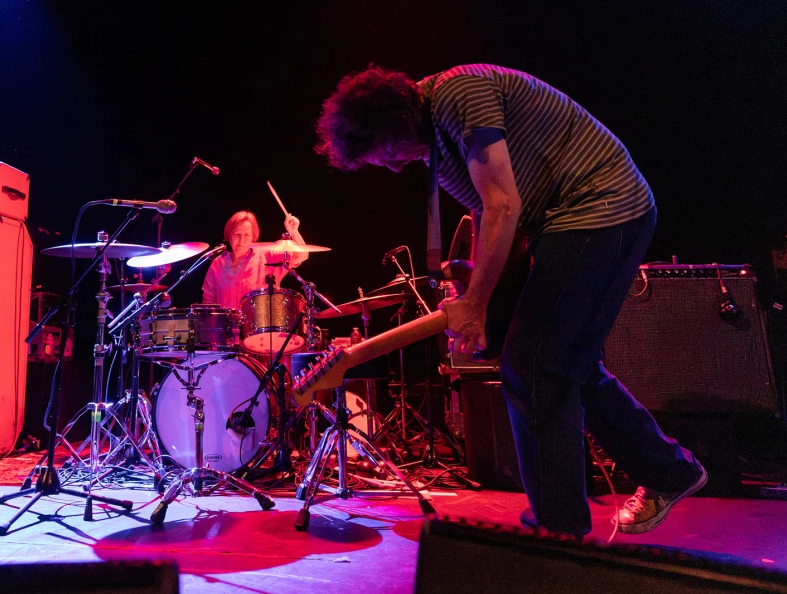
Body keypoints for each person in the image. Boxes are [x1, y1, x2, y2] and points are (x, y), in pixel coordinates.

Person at [314, 63, 707, 538]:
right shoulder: (435, 140)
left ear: (393, 121)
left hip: (601, 207)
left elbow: (504, 204)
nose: (393, 166)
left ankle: (557, 531)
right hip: (565, 223)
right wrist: (479, 296)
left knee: (534, 366)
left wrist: (478, 303)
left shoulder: (459, 95)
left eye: (387, 152)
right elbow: (485, 210)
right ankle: (668, 471)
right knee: (564, 364)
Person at [201, 210, 308, 311]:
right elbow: (208, 301)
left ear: (253, 236)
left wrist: (294, 232)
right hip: (225, 324)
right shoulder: (218, 264)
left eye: (246, 235)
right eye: (237, 234)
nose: (241, 240)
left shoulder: (267, 256)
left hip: (261, 324)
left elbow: (301, 256)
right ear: (229, 235)